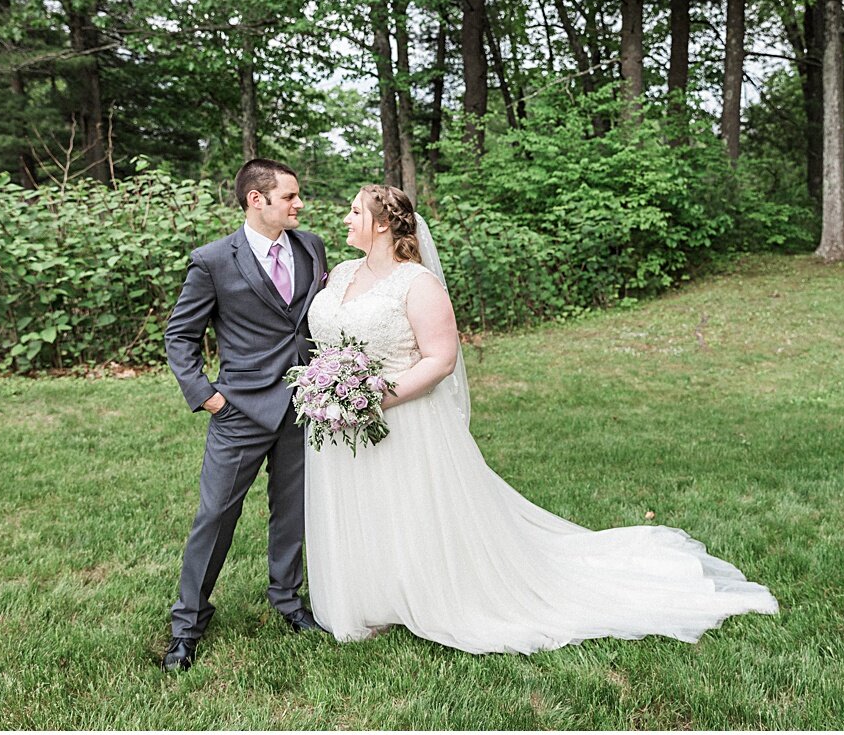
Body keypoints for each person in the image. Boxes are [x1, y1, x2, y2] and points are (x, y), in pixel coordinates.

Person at [302, 185, 778, 654]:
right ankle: (373, 596)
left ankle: (426, 592)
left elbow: (441, 359)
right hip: (338, 421)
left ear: (382, 223)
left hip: (400, 418)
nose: (345, 218)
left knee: (411, 510)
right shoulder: (342, 274)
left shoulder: (417, 283)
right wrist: (329, 388)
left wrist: (373, 399)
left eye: (355, 211)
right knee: (364, 509)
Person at [160, 158, 331, 672]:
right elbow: (180, 335)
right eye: (290, 197)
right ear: (257, 200)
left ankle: (287, 599)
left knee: (293, 511)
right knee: (214, 518)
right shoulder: (213, 260)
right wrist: (208, 396)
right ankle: (187, 624)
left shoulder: (311, 246)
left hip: (303, 405)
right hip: (239, 411)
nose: (299, 204)